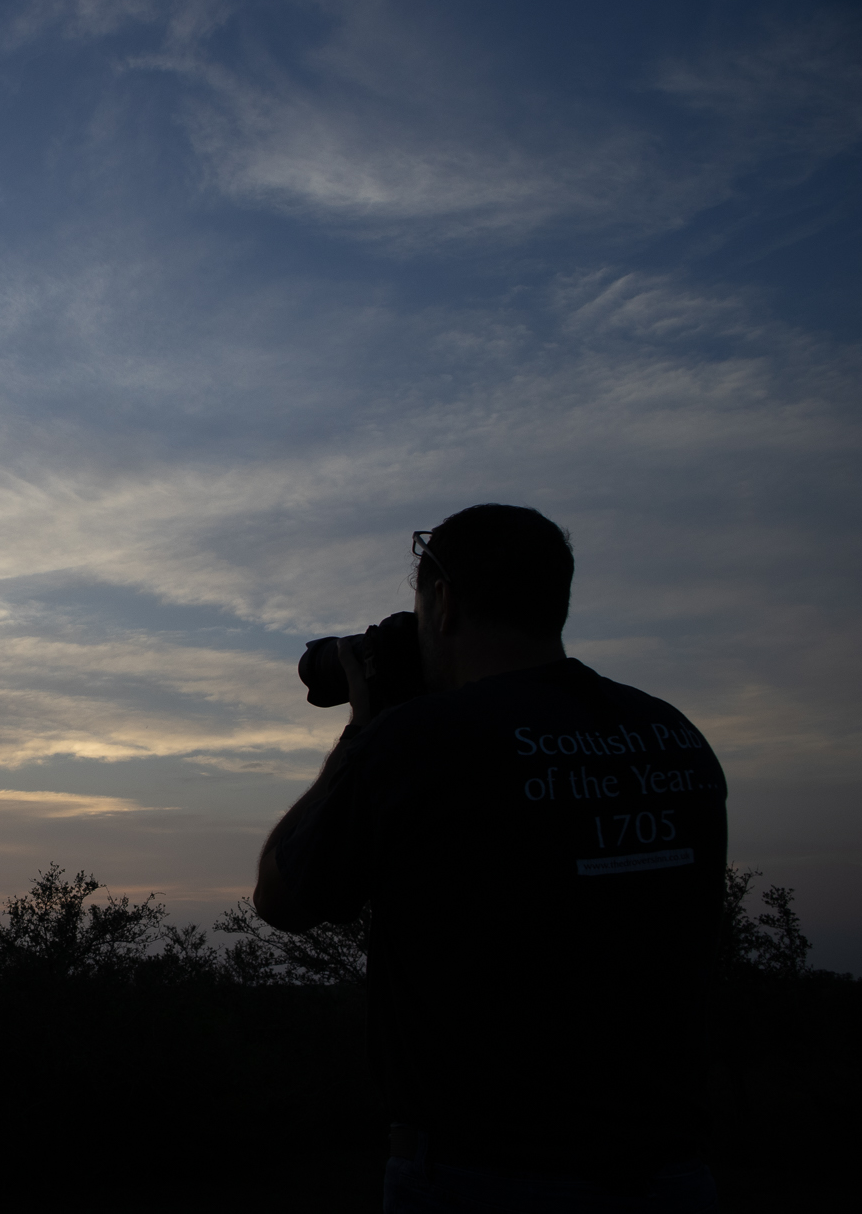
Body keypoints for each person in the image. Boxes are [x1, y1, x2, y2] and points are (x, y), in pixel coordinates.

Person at [253, 505, 728, 1213]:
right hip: (671, 1172)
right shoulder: (672, 736)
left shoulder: (417, 743)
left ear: (443, 602)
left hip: (482, 1172)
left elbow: (282, 896)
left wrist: (364, 728)